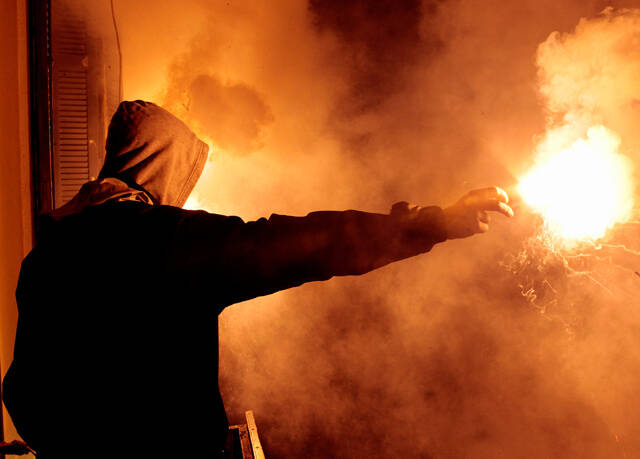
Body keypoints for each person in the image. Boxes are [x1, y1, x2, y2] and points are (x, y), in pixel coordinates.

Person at [2, 100, 513, 457]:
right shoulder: (170, 240)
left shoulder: (46, 258)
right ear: (160, 165)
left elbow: (23, 394)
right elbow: (308, 244)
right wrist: (431, 223)